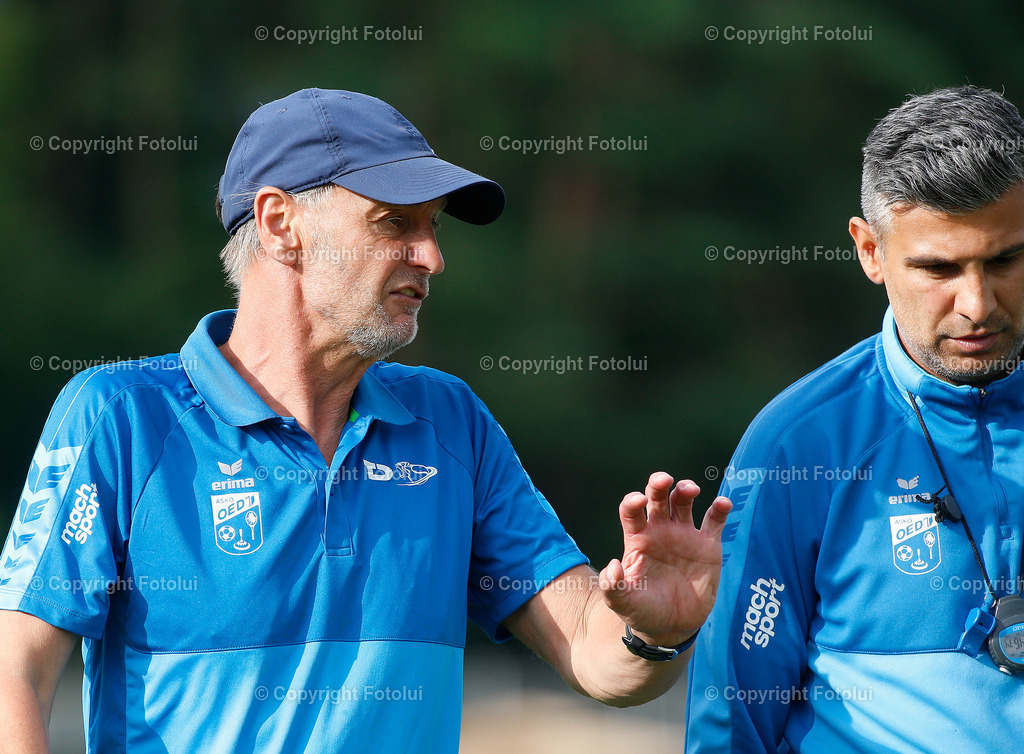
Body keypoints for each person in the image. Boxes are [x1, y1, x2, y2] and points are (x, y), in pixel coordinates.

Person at [0, 88, 731, 753]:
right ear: (280, 223)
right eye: (396, 224)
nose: (433, 257)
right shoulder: (121, 417)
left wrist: (653, 633)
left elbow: (590, 651)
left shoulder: (450, 423)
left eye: (435, 228)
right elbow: (14, 674)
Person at [685, 84, 1024, 752]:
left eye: (1006, 260)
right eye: (938, 268)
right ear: (870, 251)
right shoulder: (796, 444)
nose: (976, 304)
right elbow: (732, 718)